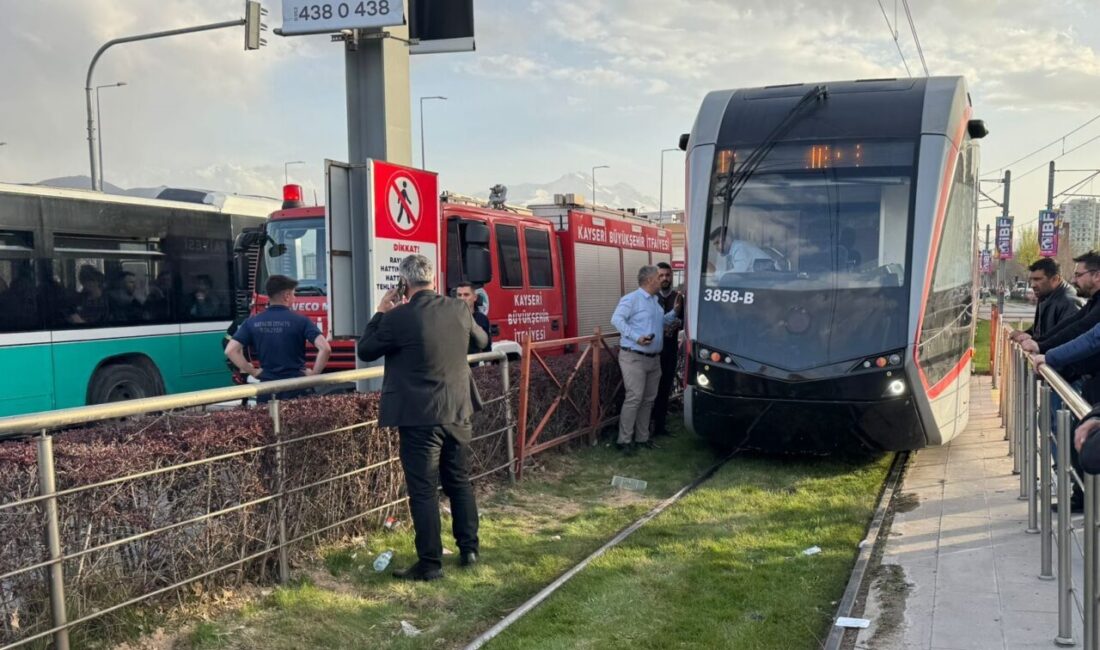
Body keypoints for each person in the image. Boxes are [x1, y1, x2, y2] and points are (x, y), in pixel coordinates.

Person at [357, 254, 488, 581]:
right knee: (459, 480)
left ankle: (430, 563)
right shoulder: (458, 308)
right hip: (458, 410)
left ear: (404, 283)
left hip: (418, 416)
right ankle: (469, 549)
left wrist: (380, 311)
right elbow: (482, 341)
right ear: (432, 279)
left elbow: (366, 350)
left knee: (424, 489)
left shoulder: (397, 318)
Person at [224, 274, 331, 403]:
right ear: (286, 296)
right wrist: (314, 375)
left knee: (269, 416)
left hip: (267, 389)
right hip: (297, 387)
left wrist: (253, 371)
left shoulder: (252, 322)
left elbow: (231, 350)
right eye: (294, 294)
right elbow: (325, 348)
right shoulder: (301, 321)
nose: (295, 298)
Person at [611, 265, 682, 453]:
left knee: (648, 399)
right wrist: (636, 337)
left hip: (653, 358)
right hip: (634, 356)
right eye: (659, 277)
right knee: (635, 397)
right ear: (650, 280)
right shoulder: (632, 299)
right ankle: (624, 440)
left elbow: (660, 322)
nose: (662, 280)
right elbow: (617, 319)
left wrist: (674, 312)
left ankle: (642, 438)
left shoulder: (654, 302)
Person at [1009, 258, 1080, 343]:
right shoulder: (1046, 295)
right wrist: (1025, 334)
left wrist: (1034, 342)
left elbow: (1066, 341)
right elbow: (1040, 329)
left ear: (1055, 279)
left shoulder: (1069, 303)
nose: (1032, 285)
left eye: (1037, 279)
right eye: (1031, 280)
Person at [651, 262, 684, 438]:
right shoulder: (651, 297)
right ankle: (646, 427)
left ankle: (660, 427)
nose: (665, 278)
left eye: (667, 275)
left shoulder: (679, 297)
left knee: (665, 389)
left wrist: (678, 323)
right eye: (661, 275)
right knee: (650, 390)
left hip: (670, 350)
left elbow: (685, 322)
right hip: (652, 351)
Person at [708, 227, 776, 275]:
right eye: (715, 244)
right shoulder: (735, 249)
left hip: (770, 282)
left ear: (728, 239)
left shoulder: (740, 248)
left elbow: (737, 274)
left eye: (717, 242)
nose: (716, 247)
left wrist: (715, 273)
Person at [456, 282, 492, 355]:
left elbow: (486, 348)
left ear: (475, 297)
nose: (462, 298)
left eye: (466, 295)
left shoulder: (481, 319)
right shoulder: (452, 318)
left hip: (475, 360)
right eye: (459, 295)